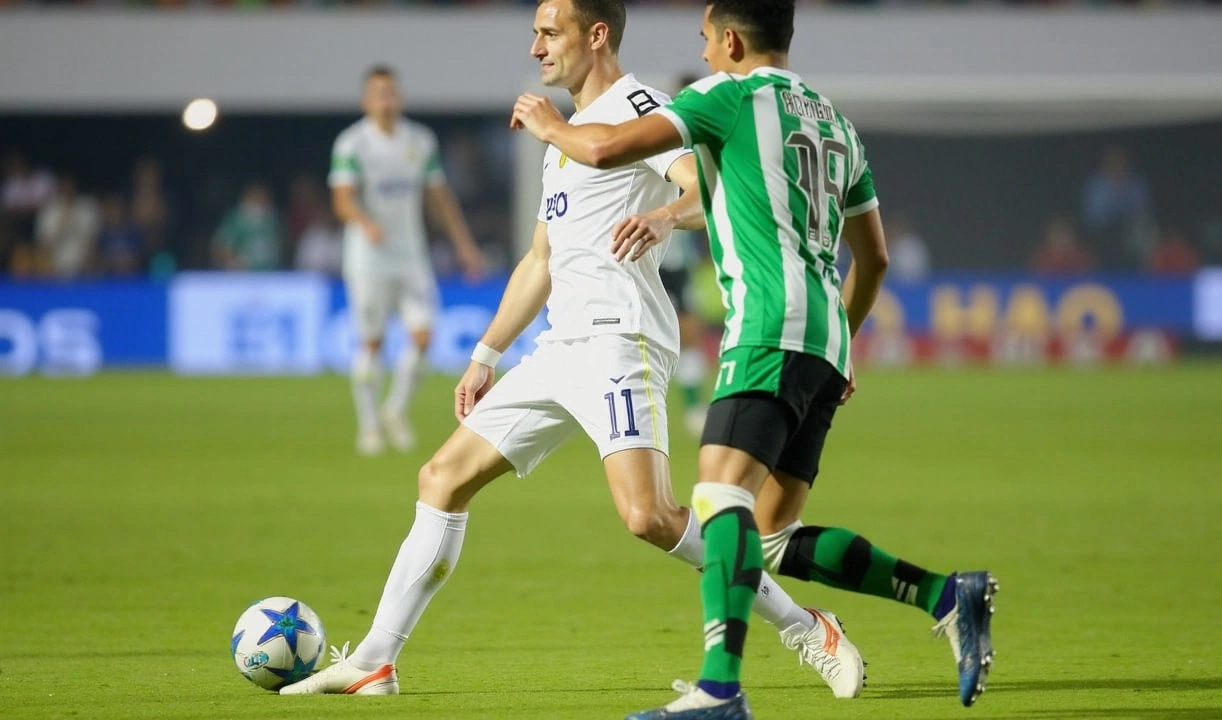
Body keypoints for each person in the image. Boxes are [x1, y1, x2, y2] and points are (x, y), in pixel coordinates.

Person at [281, 0, 865, 701]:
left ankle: (808, 627)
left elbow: (705, 190)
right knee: (441, 478)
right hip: (561, 347)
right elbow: (539, 258)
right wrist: (485, 355)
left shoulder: (643, 105)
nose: (535, 48)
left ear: (596, 35)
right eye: (534, 33)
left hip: (623, 339)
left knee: (648, 516)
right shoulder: (565, 138)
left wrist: (661, 217)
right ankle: (377, 658)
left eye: (548, 32)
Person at [510, 2, 998, 717]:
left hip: (768, 326)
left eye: (706, 42)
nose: (704, 56)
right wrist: (842, 342)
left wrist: (550, 125)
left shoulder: (726, 96)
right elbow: (877, 257)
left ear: (731, 40)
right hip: (826, 337)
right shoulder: (836, 121)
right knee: (767, 537)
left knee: (717, 499)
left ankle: (719, 688)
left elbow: (608, 148)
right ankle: (944, 595)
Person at [330, 65, 487, 456]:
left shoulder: (419, 140)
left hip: (411, 255)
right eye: (378, 92)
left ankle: (394, 411)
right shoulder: (352, 145)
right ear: (366, 100)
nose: (387, 98)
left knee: (423, 337)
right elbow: (342, 199)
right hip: (368, 258)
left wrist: (464, 244)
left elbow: (439, 198)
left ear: (399, 97)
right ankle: (367, 427)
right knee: (372, 341)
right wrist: (365, 223)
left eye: (392, 91)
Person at [660, 74, 714, 437]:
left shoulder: (701, 142)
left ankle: (695, 407)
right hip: (653, 251)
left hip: (676, 257)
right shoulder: (663, 135)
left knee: (689, 331)